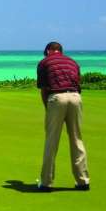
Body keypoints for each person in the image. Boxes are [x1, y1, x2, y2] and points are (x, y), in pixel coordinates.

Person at [36, 41, 89, 192]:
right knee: (77, 139)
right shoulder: (73, 62)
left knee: (52, 141)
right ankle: (83, 181)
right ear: (61, 51)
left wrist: (48, 108)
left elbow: (44, 89)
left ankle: (46, 183)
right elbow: (78, 85)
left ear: (48, 51)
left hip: (57, 97)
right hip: (75, 97)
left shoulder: (44, 62)